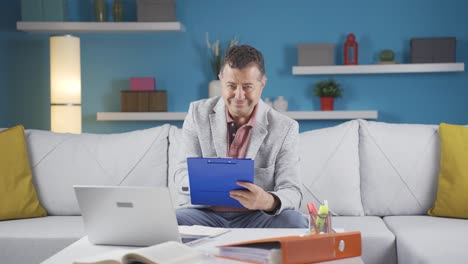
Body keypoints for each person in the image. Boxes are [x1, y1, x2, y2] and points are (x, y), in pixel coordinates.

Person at [173, 44, 307, 228]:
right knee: (169, 222)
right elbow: (180, 174)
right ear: (221, 80)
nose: (239, 95)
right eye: (231, 86)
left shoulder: (285, 128)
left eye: (247, 86)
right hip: (205, 213)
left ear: (262, 84)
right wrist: (206, 182)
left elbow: (292, 191)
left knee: (296, 222)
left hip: (257, 216)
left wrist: (266, 200)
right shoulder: (197, 113)